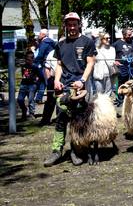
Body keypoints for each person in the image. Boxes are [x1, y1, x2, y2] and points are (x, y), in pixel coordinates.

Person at [43, 12, 97, 167]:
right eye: (69, 24)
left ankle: (76, 150)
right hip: (64, 88)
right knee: (61, 119)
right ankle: (56, 151)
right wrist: (56, 80)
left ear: (79, 25)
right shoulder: (60, 44)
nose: (72, 27)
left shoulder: (87, 42)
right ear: (65, 26)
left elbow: (90, 63)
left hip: (80, 88)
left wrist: (82, 80)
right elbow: (59, 65)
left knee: (78, 120)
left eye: (74, 24)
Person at [113, 28, 133, 106]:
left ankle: (130, 100)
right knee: (121, 84)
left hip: (131, 67)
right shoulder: (116, 44)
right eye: (129, 35)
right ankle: (120, 100)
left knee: (131, 84)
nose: (131, 36)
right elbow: (111, 54)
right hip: (121, 68)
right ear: (123, 34)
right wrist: (114, 61)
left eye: (131, 34)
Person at [33, 29, 56, 104]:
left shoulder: (44, 43)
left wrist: (34, 62)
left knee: (46, 82)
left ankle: (49, 99)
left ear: (43, 35)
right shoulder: (51, 42)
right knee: (43, 81)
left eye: (40, 34)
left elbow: (40, 55)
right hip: (50, 63)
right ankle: (39, 98)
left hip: (45, 64)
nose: (38, 35)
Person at [17, 50, 39, 121]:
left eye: (29, 60)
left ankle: (31, 113)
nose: (27, 61)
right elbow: (23, 74)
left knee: (30, 100)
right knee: (20, 99)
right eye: (26, 59)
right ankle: (24, 110)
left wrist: (37, 82)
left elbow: (40, 76)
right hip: (23, 84)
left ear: (32, 59)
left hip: (32, 85)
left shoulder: (35, 67)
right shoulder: (23, 66)